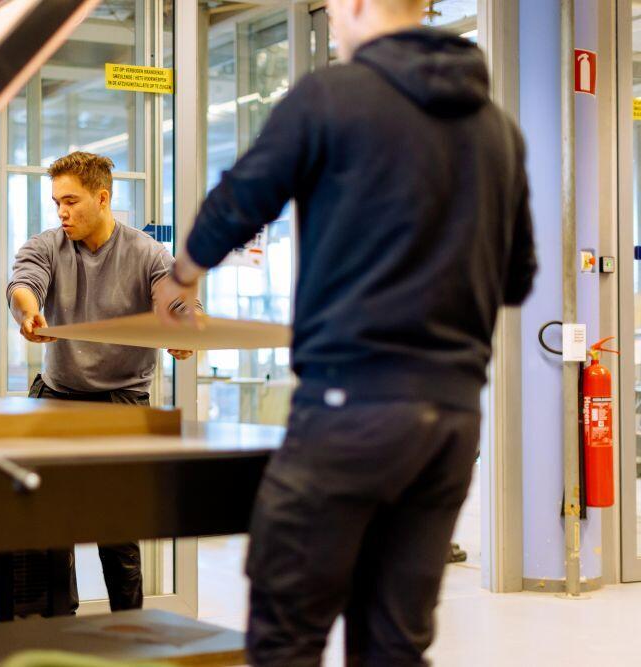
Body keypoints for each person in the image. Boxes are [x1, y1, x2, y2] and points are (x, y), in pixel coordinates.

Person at [153, 0, 536, 664]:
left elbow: (242, 199)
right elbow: (518, 279)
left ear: (358, 5)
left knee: (287, 630)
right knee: (395, 640)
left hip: (349, 409)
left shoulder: (331, 96)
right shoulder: (498, 129)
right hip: (450, 423)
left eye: (331, 9)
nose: (331, 22)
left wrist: (182, 273)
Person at [7, 151, 195, 613]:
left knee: (117, 531)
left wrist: (183, 326)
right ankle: (57, 630)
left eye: (70, 201)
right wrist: (28, 311)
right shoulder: (48, 245)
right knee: (47, 526)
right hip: (57, 398)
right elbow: (23, 283)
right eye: (56, 203)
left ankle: (128, 634)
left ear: (103, 197)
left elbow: (171, 298)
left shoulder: (148, 252)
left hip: (121, 401)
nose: (61, 213)